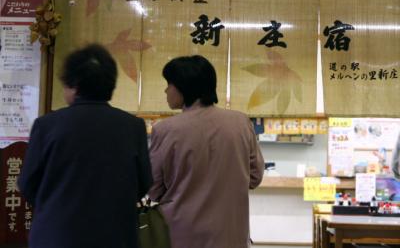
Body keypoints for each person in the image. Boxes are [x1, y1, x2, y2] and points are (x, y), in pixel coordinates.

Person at [18, 44, 153, 248]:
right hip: (115, 235)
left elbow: (28, 184)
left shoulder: (46, 125)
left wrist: (55, 204)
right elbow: (143, 183)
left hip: (56, 235)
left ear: (74, 85)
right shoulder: (132, 126)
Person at [149, 55, 264, 248]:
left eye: (169, 83)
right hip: (232, 234)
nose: (166, 90)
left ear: (183, 87)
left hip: (180, 234)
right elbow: (255, 176)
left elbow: (153, 187)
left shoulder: (165, 129)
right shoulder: (241, 122)